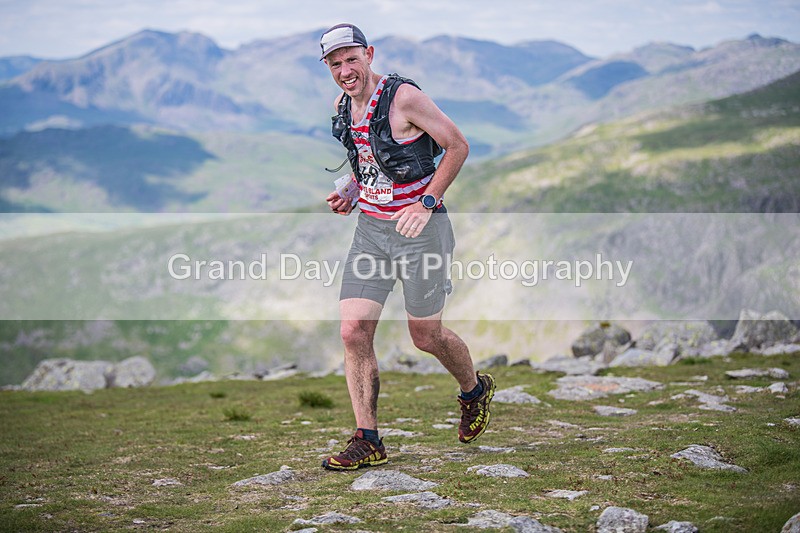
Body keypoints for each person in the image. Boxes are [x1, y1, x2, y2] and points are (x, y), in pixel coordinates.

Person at [319, 23, 496, 471]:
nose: (345, 70)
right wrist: (352, 191)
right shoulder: (342, 105)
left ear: (369, 54)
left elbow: (457, 145)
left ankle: (474, 390)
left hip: (422, 231)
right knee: (353, 331)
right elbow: (370, 161)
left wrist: (427, 202)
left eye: (352, 59)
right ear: (328, 68)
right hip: (372, 232)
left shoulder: (404, 98)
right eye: (335, 63)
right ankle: (368, 439)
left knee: (426, 336)